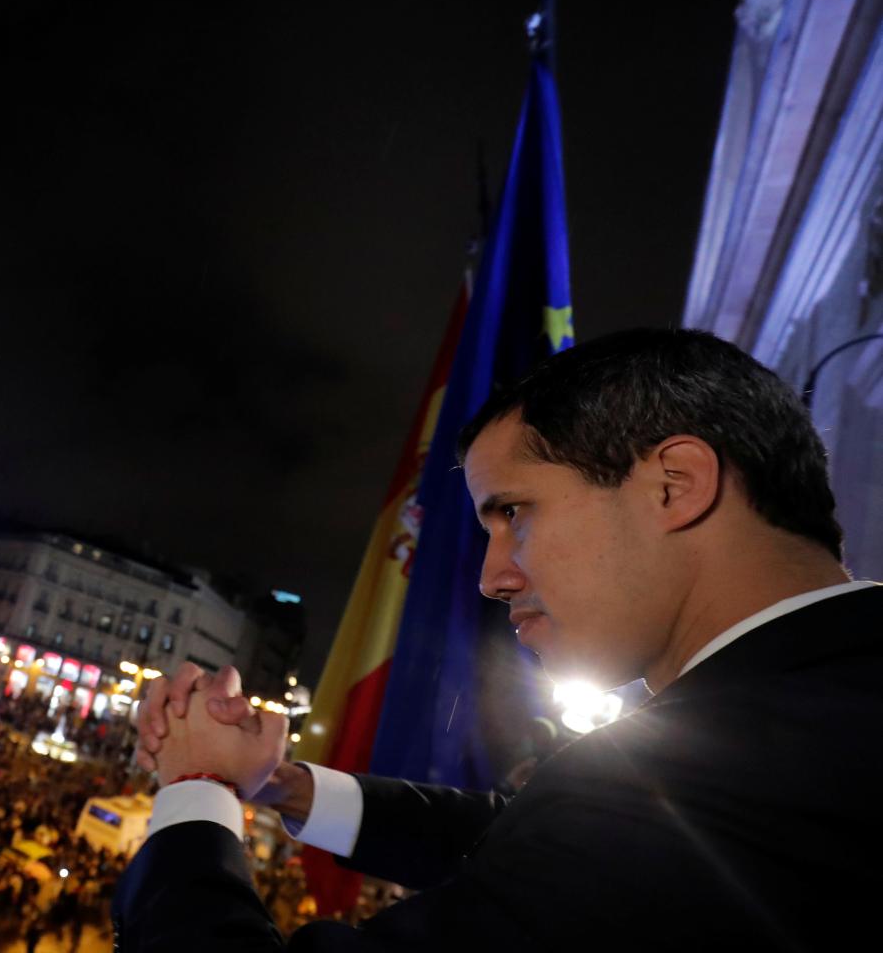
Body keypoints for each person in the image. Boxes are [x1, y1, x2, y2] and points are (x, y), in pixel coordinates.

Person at [115, 328, 882, 950]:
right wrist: (286, 785)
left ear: (673, 485)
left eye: (515, 513)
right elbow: (534, 840)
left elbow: (595, 839)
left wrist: (194, 789)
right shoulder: (813, 717)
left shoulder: (707, 786)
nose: (493, 578)